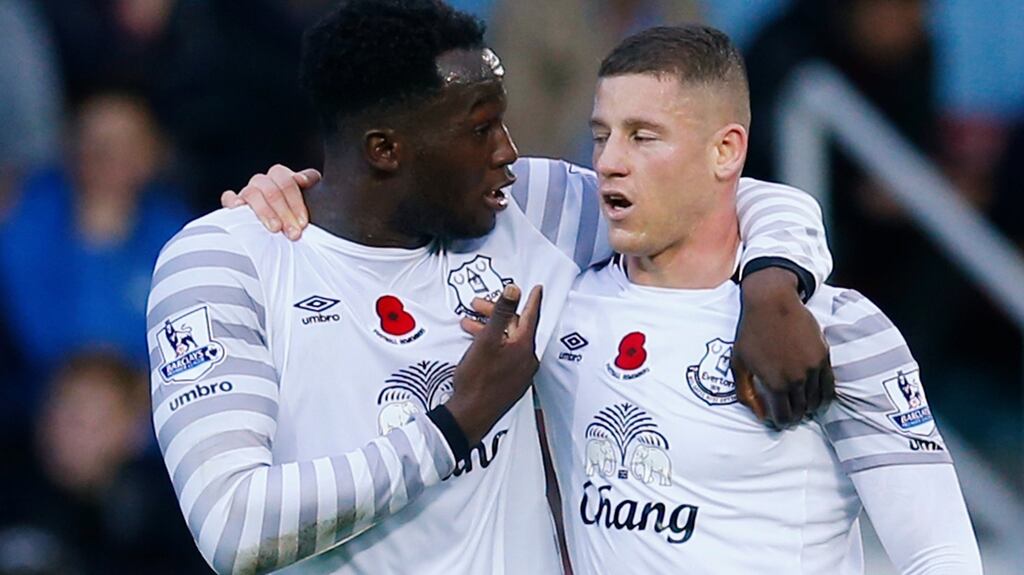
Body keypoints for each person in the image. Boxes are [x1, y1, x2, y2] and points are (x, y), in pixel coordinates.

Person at [151, 1, 834, 573]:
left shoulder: (529, 209)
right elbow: (234, 527)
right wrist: (456, 423)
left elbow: (722, 194)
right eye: (479, 129)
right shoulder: (226, 262)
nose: (508, 149)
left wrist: (772, 286)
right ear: (385, 149)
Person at [499, 25, 977, 574]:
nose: (608, 160)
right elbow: (443, 175)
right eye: (602, 135)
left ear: (725, 151)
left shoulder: (830, 328)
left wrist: (771, 284)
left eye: (643, 137)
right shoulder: (558, 300)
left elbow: (938, 554)